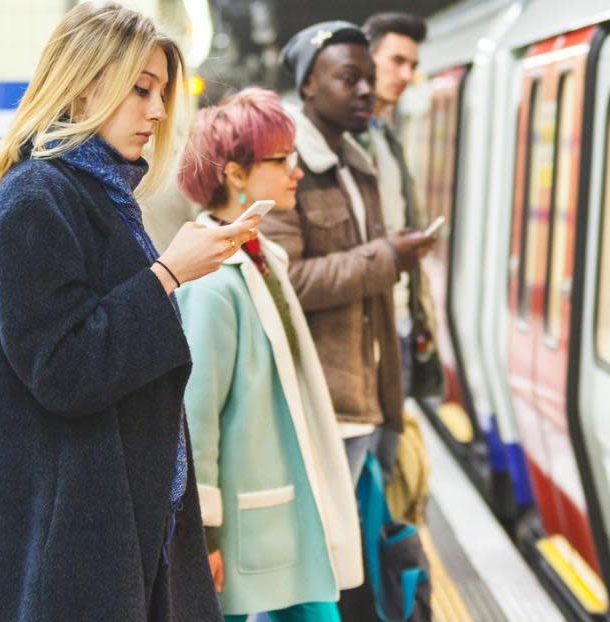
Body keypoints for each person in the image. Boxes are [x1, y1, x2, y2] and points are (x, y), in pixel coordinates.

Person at [0, 4, 259, 620]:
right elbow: (64, 371)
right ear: (85, 83)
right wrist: (170, 273)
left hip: (115, 522)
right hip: (68, 539)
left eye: (161, 93)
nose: (156, 111)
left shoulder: (95, 192)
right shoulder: (36, 200)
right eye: (140, 89)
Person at [176, 88, 363, 622]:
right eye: (280, 160)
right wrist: (204, 531)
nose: (296, 171)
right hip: (245, 522)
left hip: (276, 508)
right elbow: (197, 415)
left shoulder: (259, 255)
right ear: (234, 174)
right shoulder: (213, 283)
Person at [262, 21, 434, 484]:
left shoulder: (356, 166)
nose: (366, 90)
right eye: (348, 78)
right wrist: (388, 258)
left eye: (368, 79)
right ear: (309, 84)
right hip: (322, 407)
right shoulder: (284, 165)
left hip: (367, 396)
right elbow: (284, 282)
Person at [359, 12, 444, 479]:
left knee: (385, 467)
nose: (407, 75)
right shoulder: (345, 142)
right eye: (396, 61)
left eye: (412, 65)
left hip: (400, 324)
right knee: (370, 471)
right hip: (370, 334)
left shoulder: (384, 137)